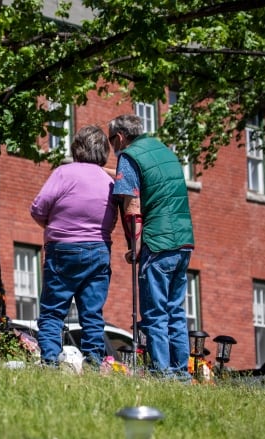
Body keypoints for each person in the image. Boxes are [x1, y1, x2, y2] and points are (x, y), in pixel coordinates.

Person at [108, 114, 195, 381]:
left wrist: (134, 248)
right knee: (175, 312)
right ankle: (182, 373)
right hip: (182, 241)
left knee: (155, 314)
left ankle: (162, 373)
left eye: (113, 142)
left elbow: (133, 206)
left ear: (120, 137)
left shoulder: (129, 156)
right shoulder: (163, 151)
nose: (113, 148)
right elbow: (147, 182)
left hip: (156, 243)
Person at [30, 125, 118, 369]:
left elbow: (38, 208)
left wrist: (53, 227)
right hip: (99, 249)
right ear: (103, 152)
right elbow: (113, 219)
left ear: (77, 148)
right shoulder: (108, 181)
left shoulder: (64, 173)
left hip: (63, 249)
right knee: (92, 313)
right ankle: (93, 362)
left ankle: (49, 360)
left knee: (53, 311)